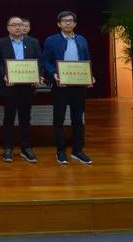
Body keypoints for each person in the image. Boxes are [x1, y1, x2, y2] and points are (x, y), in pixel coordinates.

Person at [41, 11, 94, 165]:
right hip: (60, 85)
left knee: (78, 119)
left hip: (79, 86)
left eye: (71, 20)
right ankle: (60, 151)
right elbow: (45, 61)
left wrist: (90, 75)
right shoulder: (51, 40)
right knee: (59, 118)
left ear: (75, 23)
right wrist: (54, 73)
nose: (68, 23)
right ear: (59, 24)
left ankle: (78, 151)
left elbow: (87, 59)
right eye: (64, 21)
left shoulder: (82, 40)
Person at [0, 16, 42, 164]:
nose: (18, 27)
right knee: (9, 118)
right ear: (8, 28)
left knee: (25, 119)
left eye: (20, 24)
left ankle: (26, 148)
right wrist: (5, 74)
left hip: (27, 88)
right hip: (9, 87)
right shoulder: (0, 44)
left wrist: (39, 75)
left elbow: (39, 62)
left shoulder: (33, 42)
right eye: (14, 25)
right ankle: (7, 149)